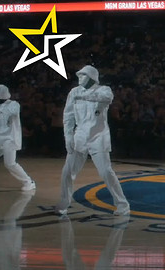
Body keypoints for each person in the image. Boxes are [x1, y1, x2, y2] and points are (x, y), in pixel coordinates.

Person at [54, 65, 130, 216]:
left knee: (106, 172)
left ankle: (122, 205)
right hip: (80, 136)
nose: (79, 78)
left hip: (98, 137)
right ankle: (64, 202)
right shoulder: (74, 92)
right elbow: (68, 116)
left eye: (83, 75)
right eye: (79, 75)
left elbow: (107, 98)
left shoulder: (104, 90)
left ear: (92, 77)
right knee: (67, 172)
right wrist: (68, 136)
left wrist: (85, 96)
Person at [0, 84, 35, 191]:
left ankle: (29, 182)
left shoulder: (14, 104)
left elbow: (7, 114)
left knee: (10, 163)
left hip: (9, 138)